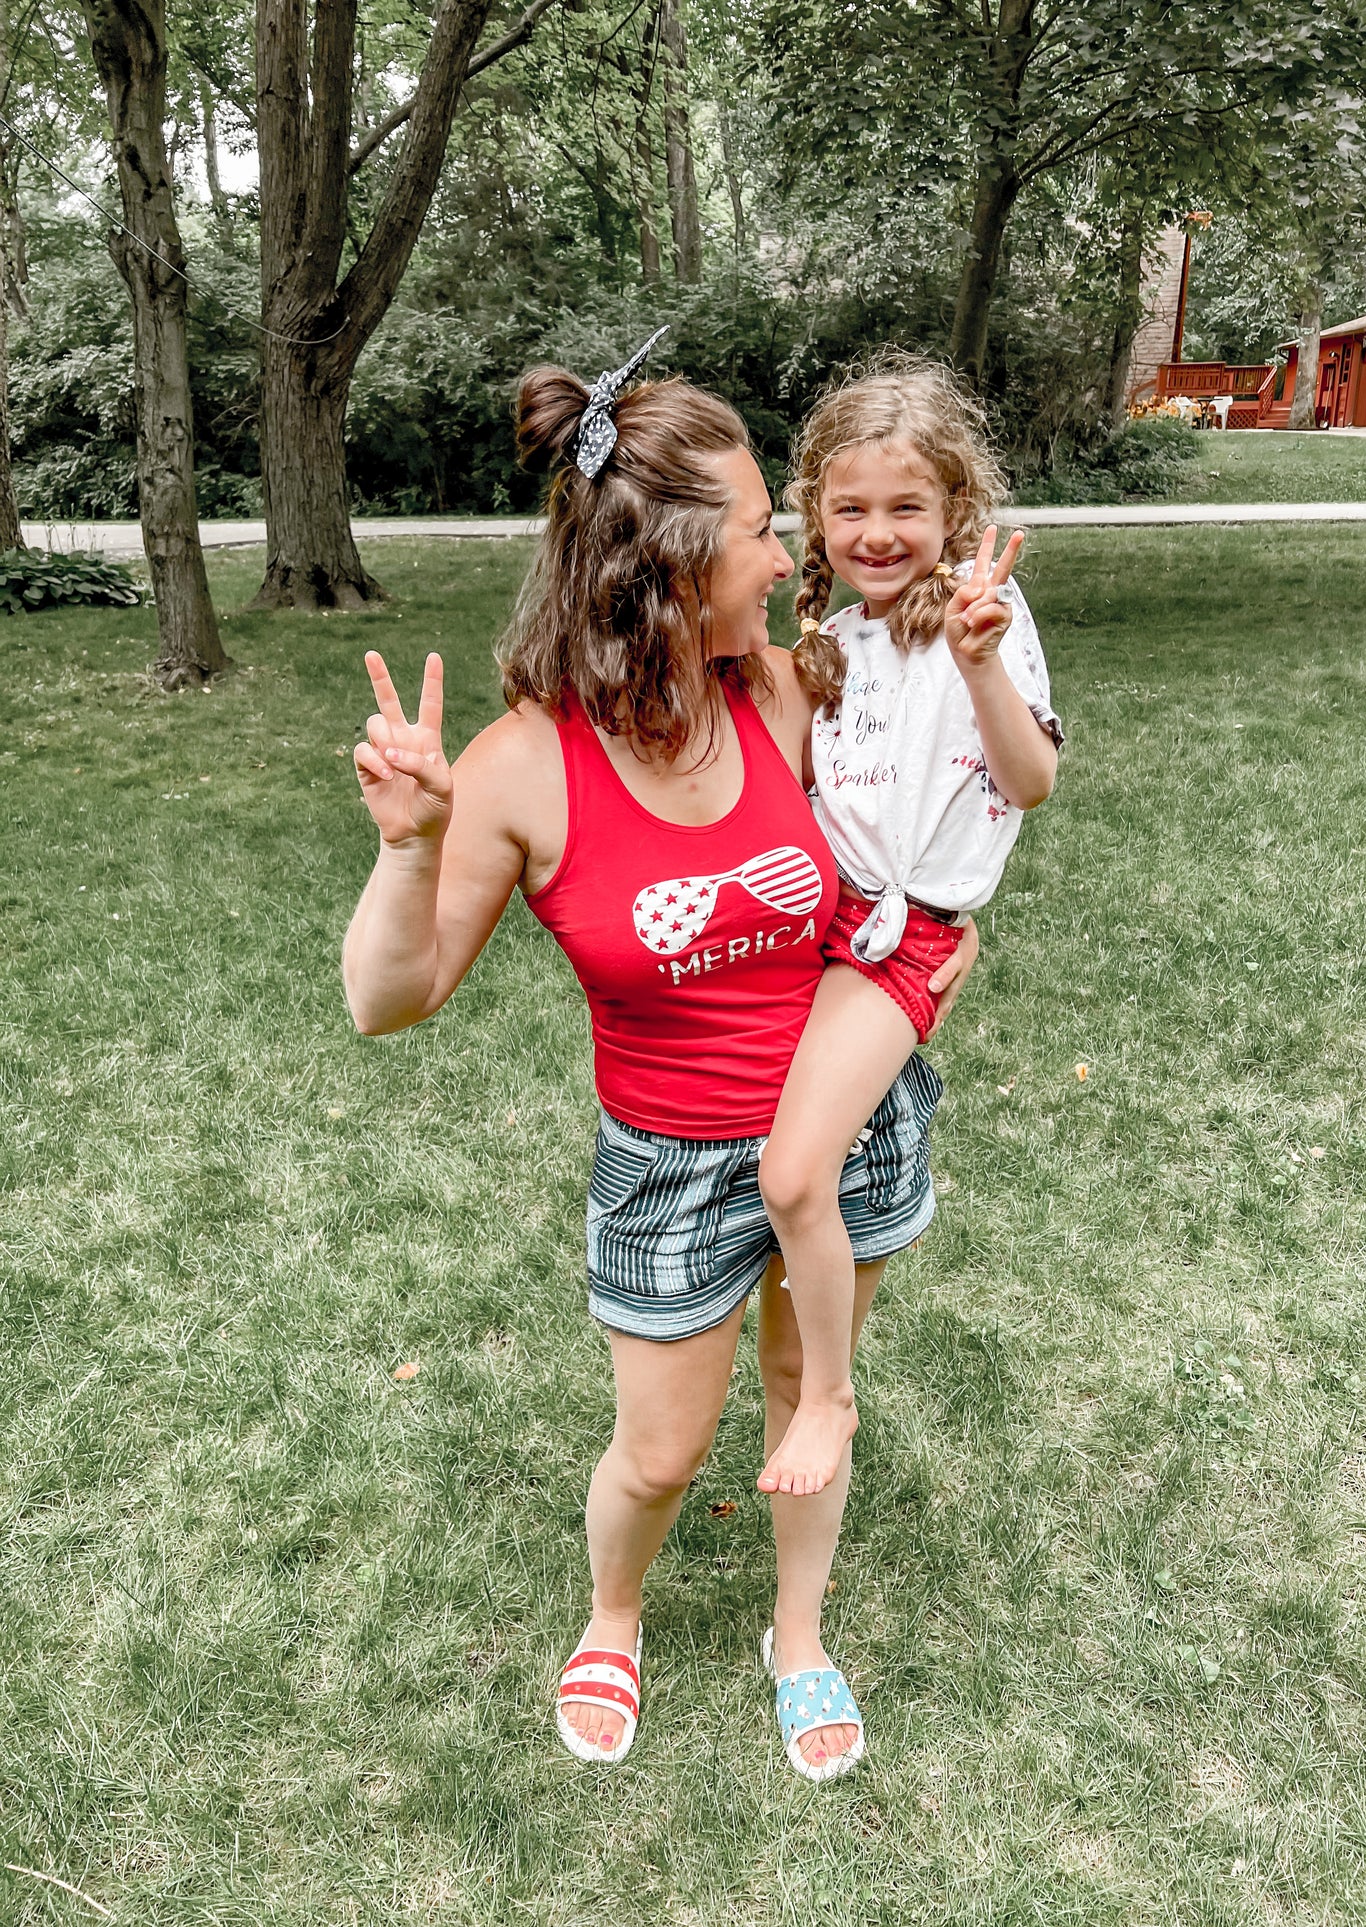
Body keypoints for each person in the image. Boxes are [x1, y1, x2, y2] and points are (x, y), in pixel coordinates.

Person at [340, 337, 977, 1783]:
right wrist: (411, 843)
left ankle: (797, 1633)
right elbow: (390, 999)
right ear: (671, 565)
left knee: (812, 1388)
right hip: (672, 1167)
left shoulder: (789, 690)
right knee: (662, 1451)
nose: (787, 555)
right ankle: (611, 1614)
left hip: (843, 1127)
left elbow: (928, 864)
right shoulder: (522, 764)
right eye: (759, 531)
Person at [756, 356, 1062, 1499]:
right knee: (782, 1156)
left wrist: (981, 662)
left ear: (952, 514)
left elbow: (1026, 782)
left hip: (908, 934)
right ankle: (789, 1352)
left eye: (904, 508)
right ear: (815, 516)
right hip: (822, 925)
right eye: (850, 509)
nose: (876, 533)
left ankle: (826, 1390)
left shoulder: (977, 618)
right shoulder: (837, 637)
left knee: (793, 1176)